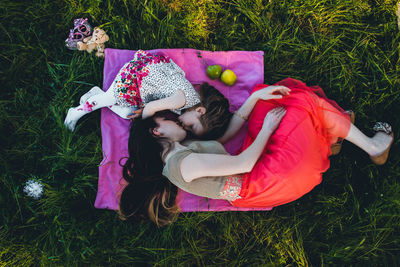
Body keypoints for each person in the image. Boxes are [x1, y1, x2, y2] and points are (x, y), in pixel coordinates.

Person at [118, 78, 394, 226]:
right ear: (157, 131)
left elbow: (228, 135)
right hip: (269, 178)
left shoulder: (181, 149)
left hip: (261, 170)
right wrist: (267, 129)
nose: (178, 119)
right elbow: (245, 162)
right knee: (297, 104)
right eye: (171, 119)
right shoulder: (182, 167)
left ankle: (331, 133)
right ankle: (373, 146)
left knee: (267, 99)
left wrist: (253, 98)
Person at [63, 50, 232, 136]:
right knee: (112, 98)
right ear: (200, 111)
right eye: (191, 126)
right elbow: (152, 107)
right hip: (137, 77)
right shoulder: (182, 100)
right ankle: (75, 112)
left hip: (145, 85)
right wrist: (144, 124)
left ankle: (95, 94)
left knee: (127, 112)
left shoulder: (187, 103)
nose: (185, 128)